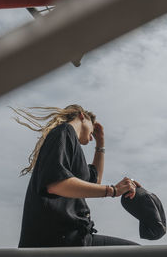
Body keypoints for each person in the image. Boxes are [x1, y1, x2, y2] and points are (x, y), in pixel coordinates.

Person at [13, 104, 141, 247]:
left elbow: (95, 181)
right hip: (58, 240)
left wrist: (101, 142)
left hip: (71, 239)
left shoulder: (70, 144)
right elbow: (56, 184)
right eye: (92, 131)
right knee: (138, 253)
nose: (91, 138)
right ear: (82, 116)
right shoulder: (64, 131)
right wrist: (113, 190)